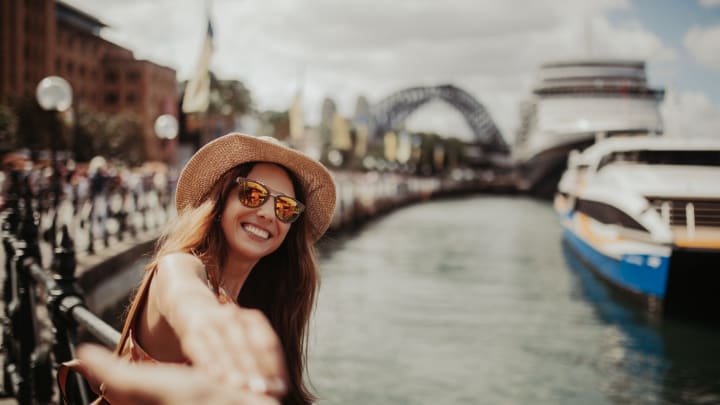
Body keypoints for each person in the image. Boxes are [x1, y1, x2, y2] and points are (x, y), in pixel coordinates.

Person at [62, 133, 336, 404]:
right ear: (221, 201)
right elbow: (184, 293)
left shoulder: (265, 306)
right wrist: (201, 319)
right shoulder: (179, 264)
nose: (267, 213)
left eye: (285, 207)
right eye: (252, 194)